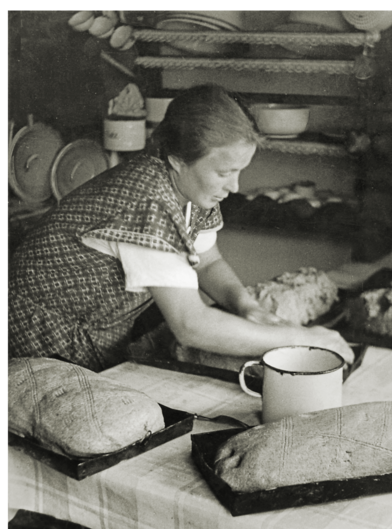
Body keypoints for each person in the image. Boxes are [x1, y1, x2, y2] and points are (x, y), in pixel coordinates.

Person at [9, 84, 354, 372]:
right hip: (34, 339)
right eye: (224, 172)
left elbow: (208, 261)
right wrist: (302, 338)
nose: (234, 186)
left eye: (239, 171)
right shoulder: (149, 199)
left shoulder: (190, 186)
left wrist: (245, 305)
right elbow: (190, 325)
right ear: (177, 159)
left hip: (92, 332)